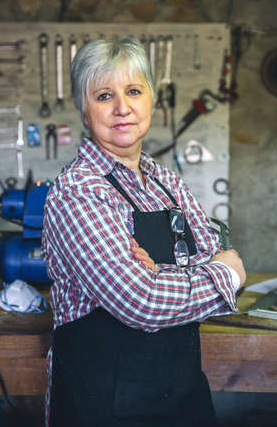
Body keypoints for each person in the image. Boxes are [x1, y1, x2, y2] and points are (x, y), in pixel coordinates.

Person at [42, 36, 246, 427]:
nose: (122, 108)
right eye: (104, 96)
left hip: (181, 398)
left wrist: (161, 275)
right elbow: (141, 301)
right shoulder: (79, 191)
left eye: (133, 91)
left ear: (150, 98)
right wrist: (225, 274)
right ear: (84, 110)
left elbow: (212, 248)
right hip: (102, 405)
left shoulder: (166, 181)